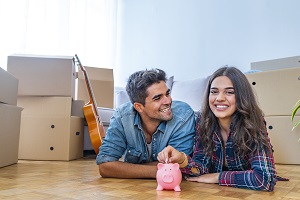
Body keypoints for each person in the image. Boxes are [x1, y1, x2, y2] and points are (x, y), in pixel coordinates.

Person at [157, 66, 288, 191]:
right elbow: (200, 170)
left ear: (242, 96)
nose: (219, 98)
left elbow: (265, 179)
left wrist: (217, 177)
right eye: (214, 92)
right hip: (212, 192)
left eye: (229, 92)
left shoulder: (253, 122)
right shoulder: (203, 121)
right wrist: (182, 159)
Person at [96, 68, 196, 178]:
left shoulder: (183, 115)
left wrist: (125, 168)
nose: (168, 101)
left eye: (167, 94)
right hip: (132, 191)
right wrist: (160, 170)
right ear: (139, 107)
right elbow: (105, 166)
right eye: (157, 98)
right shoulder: (122, 116)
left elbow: (180, 165)